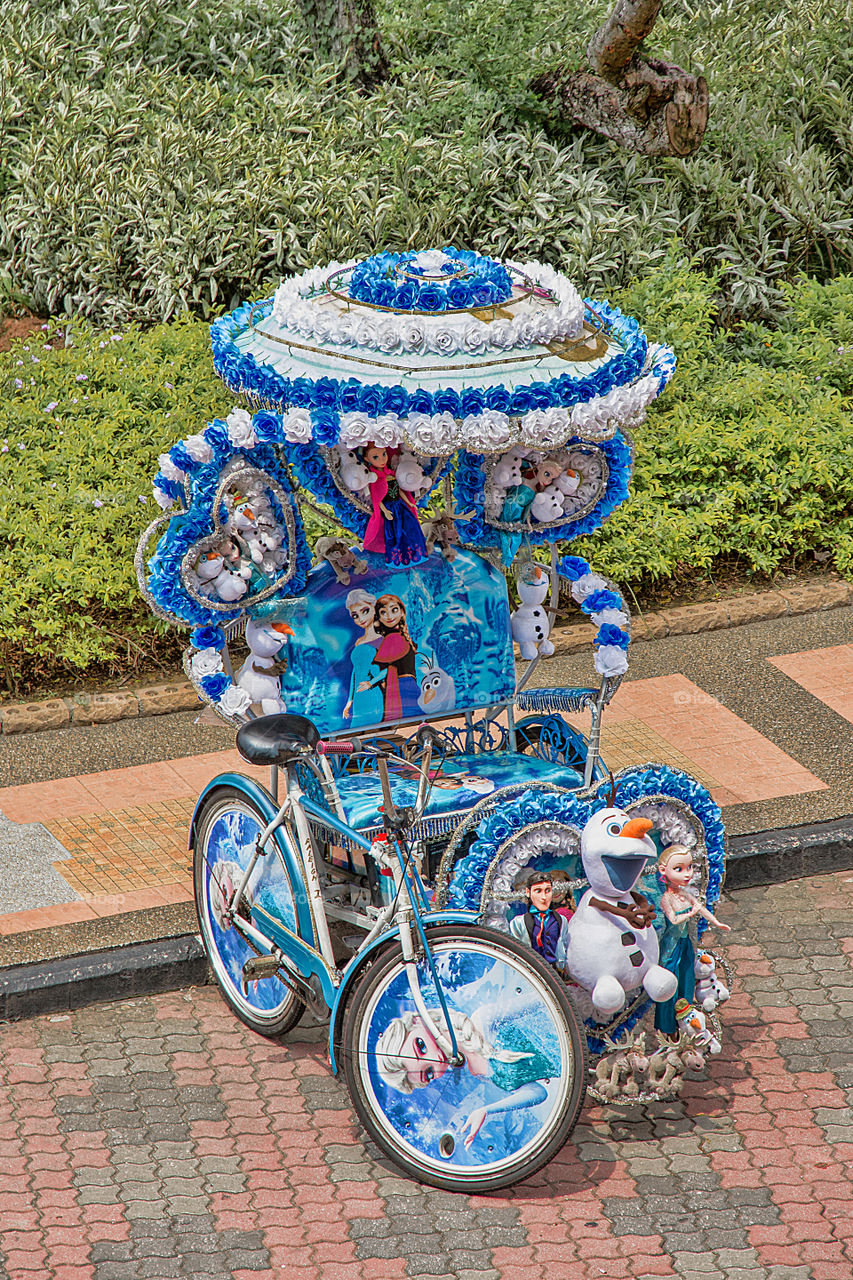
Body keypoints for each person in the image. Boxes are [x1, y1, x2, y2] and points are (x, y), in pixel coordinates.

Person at [374, 1006, 553, 1150]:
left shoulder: (483, 1018)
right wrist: (486, 1110)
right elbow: (537, 1091)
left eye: (421, 1046)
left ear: (418, 1021)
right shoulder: (481, 1074)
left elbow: (545, 1001)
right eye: (428, 1072)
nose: (435, 1059)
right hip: (575, 1062)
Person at [655, 843, 731, 1037]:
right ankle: (668, 1028)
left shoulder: (684, 894)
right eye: (679, 869)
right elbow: (673, 919)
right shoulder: (667, 898)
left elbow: (701, 908)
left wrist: (716, 921)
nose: (687, 874)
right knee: (670, 984)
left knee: (687, 980)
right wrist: (690, 913)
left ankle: (686, 1020)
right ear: (664, 871)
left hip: (686, 944)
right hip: (671, 948)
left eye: (689, 868)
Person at [362, 443, 427, 567]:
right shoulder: (375, 479)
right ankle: (398, 558)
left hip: (401, 506)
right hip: (390, 508)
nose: (382, 459)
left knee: (410, 527)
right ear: (367, 459)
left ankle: (414, 553)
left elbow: (400, 491)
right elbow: (377, 499)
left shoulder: (391, 474)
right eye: (375, 457)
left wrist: (409, 503)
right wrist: (385, 511)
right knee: (395, 533)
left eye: (384, 454)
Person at [509, 872, 571, 973]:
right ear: (528, 892)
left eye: (548, 891)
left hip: (555, 974)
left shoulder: (561, 920)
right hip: (529, 974)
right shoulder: (518, 923)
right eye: (538, 891)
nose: (544, 897)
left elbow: (563, 946)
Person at [341, 589, 385, 727]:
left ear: (374, 607)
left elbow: (387, 669)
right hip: (359, 698)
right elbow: (355, 672)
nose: (361, 618)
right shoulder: (359, 642)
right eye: (355, 615)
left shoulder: (382, 640)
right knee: (356, 730)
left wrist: (371, 683)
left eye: (365, 611)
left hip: (373, 693)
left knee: (374, 730)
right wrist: (350, 701)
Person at [373, 594, 421, 720]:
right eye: (383, 612)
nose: (389, 616)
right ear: (379, 618)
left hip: (403, 689)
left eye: (394, 610)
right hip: (404, 688)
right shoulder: (392, 638)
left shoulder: (395, 637)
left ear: (402, 612)